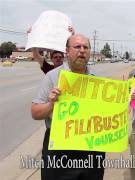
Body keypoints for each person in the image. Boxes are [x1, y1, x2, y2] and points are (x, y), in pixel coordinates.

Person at [31, 34, 105, 180]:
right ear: (67, 51)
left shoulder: (97, 80)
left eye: (86, 47)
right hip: (60, 149)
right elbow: (35, 113)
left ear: (90, 51)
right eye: (77, 46)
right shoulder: (52, 77)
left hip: (91, 148)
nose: (82, 50)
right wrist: (51, 104)